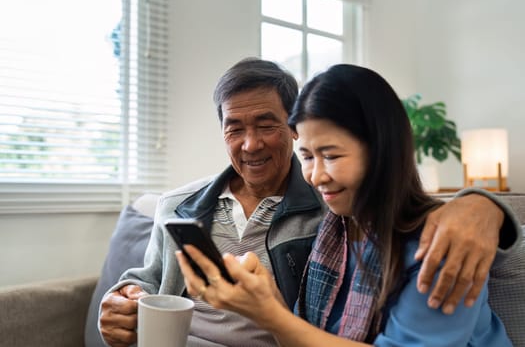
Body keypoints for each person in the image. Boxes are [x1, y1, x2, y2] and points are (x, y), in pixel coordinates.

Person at [99, 58, 521, 347]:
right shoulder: (337, 230)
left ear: (383, 148)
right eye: (309, 157)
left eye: (332, 155)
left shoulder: (431, 241)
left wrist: (482, 206)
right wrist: (124, 300)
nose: (317, 176)